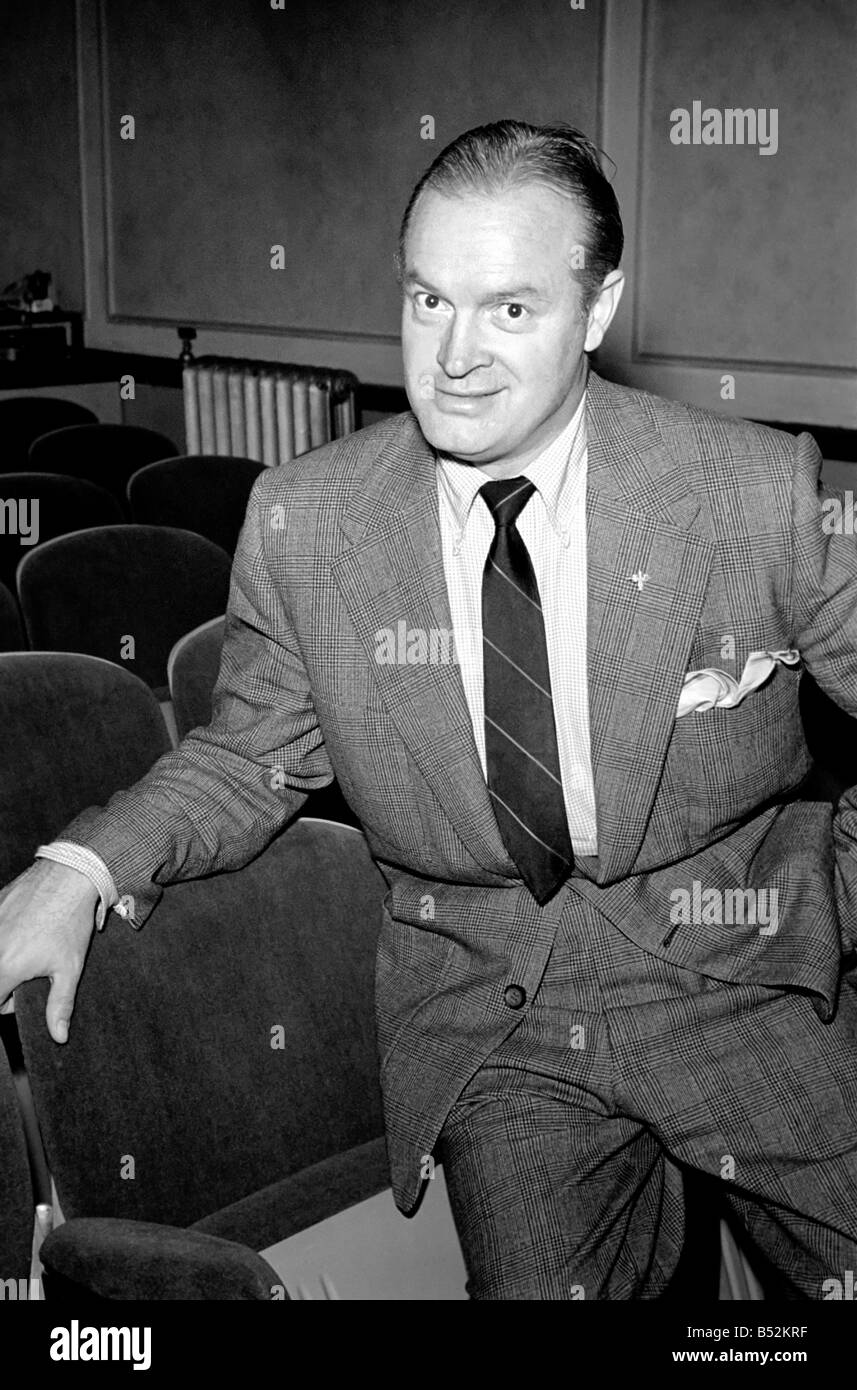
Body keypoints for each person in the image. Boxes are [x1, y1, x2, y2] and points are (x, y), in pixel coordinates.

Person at [2, 119, 856, 1300]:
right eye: (426, 300)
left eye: (509, 309)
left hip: (741, 971)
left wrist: (841, 883)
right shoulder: (308, 522)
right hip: (491, 1013)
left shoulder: (751, 491)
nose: (453, 355)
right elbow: (251, 753)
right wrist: (76, 868)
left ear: (597, 310)